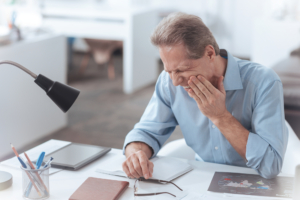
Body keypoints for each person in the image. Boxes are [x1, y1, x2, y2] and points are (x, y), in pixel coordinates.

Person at [122, 12, 288, 180]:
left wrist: (221, 117)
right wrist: (136, 154)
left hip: (254, 182)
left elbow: (270, 165)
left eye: (181, 70)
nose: (175, 82)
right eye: (169, 71)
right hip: (201, 182)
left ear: (209, 53)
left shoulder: (263, 82)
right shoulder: (168, 82)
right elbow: (145, 133)